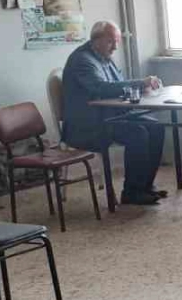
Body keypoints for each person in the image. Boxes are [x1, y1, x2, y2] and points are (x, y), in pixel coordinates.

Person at [60, 21, 166, 206]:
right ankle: (132, 192)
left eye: (117, 41)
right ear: (96, 40)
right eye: (111, 42)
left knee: (156, 127)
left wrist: (143, 87)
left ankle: (145, 187)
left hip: (110, 116)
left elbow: (119, 85)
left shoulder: (104, 56)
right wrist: (141, 83)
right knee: (138, 133)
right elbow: (101, 88)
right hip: (88, 124)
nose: (115, 47)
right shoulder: (82, 60)